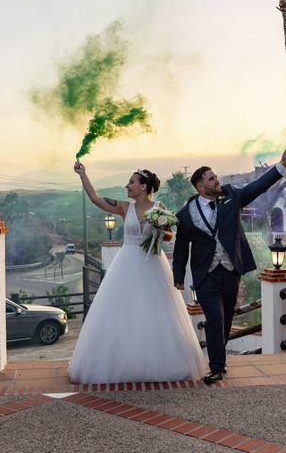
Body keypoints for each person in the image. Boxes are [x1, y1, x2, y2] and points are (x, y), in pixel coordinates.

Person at [68, 162, 207, 384]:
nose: (127, 186)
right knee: (123, 312)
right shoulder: (125, 208)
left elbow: (170, 236)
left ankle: (158, 363)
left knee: (156, 313)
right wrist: (83, 174)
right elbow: (95, 199)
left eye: (131, 182)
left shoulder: (160, 208)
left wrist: (162, 230)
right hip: (126, 263)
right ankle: (121, 363)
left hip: (153, 264)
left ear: (143, 187)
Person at [173, 147, 286, 384]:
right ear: (200, 187)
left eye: (215, 176)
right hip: (205, 274)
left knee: (227, 317)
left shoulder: (231, 195)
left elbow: (257, 187)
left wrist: (282, 165)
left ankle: (219, 360)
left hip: (230, 270)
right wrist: (178, 274)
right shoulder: (186, 214)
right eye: (211, 179)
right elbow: (180, 247)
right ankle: (217, 366)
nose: (217, 180)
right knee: (215, 318)